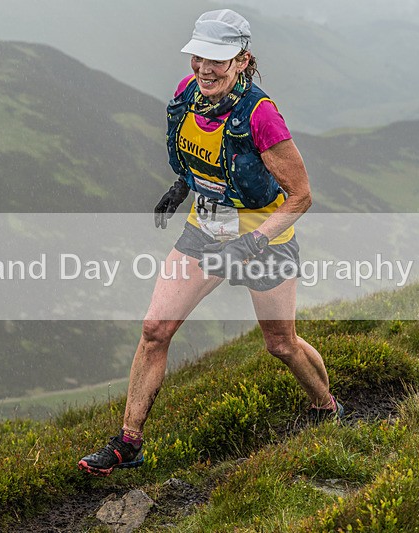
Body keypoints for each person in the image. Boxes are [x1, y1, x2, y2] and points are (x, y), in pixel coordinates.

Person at [78, 9, 341, 477]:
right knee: (155, 330)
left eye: (218, 60)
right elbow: (200, 156)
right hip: (206, 231)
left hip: (267, 240)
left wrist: (252, 243)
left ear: (242, 60)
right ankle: (129, 442)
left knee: (280, 344)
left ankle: (327, 408)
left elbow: (301, 196)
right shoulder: (187, 94)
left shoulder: (262, 117)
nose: (205, 68)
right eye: (200, 56)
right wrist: (181, 188)